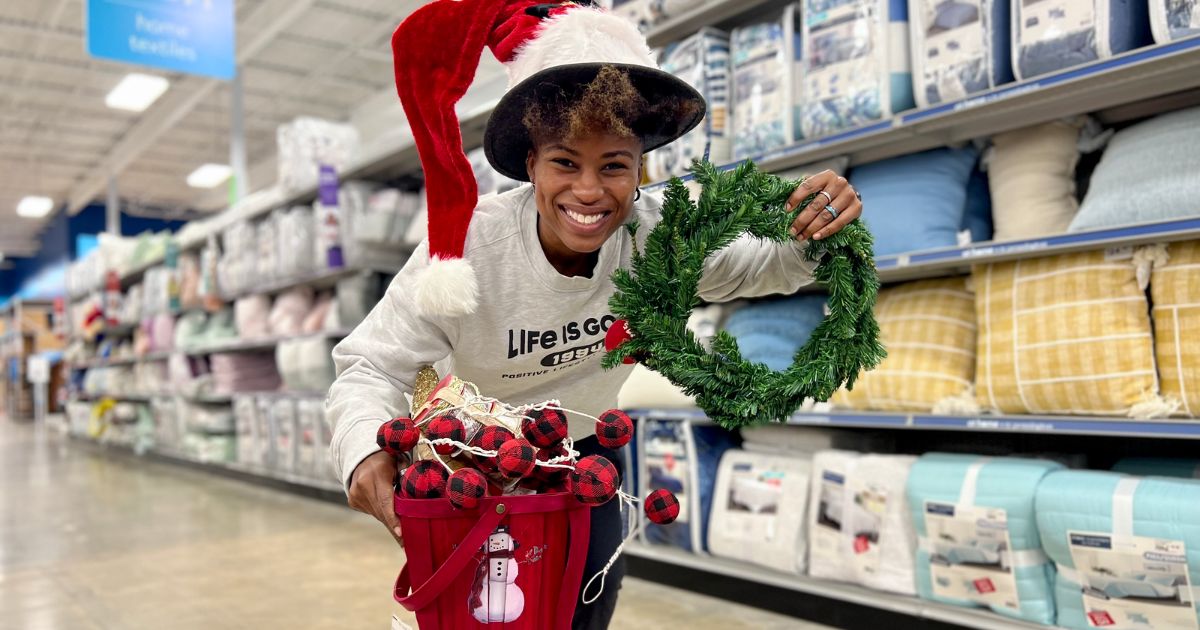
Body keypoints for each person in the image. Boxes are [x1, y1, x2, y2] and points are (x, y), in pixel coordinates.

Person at [326, 2, 862, 628]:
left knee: (582, 613)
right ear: (530, 165)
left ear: (642, 170)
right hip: (468, 476)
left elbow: (756, 265)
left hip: (586, 469)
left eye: (613, 165)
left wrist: (817, 229)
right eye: (564, 163)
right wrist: (363, 449)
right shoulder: (470, 246)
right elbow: (369, 365)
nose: (588, 191)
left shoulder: (658, 241)